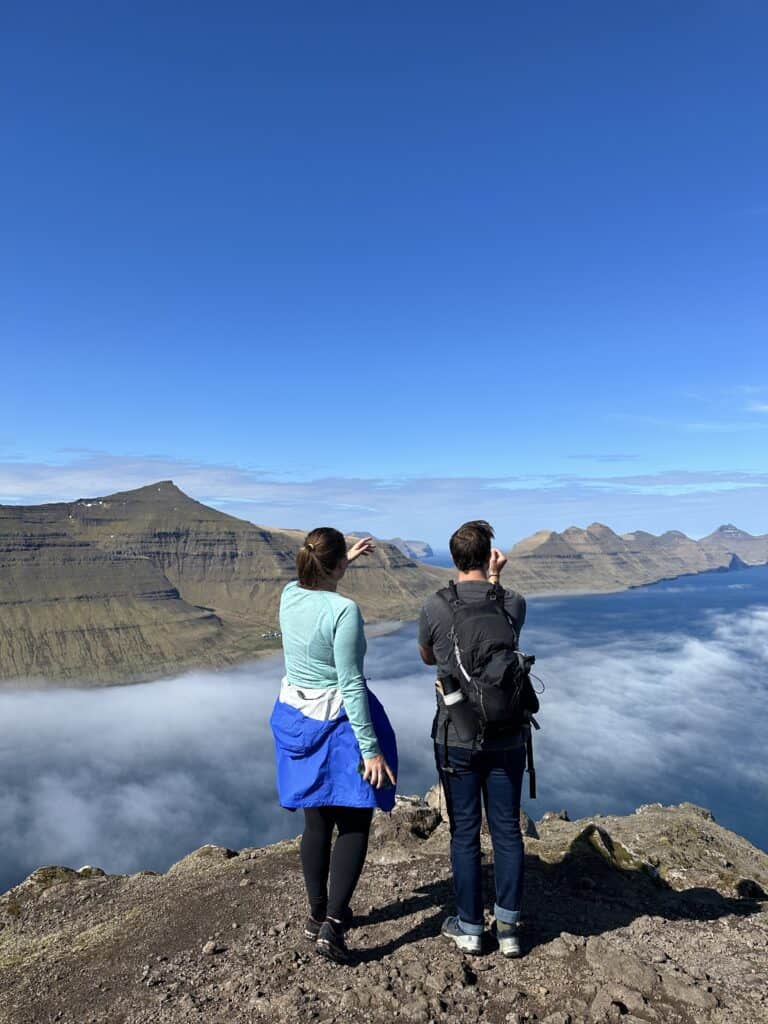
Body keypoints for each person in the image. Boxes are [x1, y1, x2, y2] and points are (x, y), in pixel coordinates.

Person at [270, 527, 398, 965]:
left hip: (295, 718)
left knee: (317, 822)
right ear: (338, 566)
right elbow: (351, 684)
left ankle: (315, 913)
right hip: (339, 724)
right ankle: (336, 925)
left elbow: (317, 584)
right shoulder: (346, 611)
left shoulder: (289, 595)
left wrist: (347, 559)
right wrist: (371, 749)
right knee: (356, 821)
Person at [418, 520, 529, 958]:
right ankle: (509, 930)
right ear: (489, 557)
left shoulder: (435, 606)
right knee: (506, 830)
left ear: (453, 559)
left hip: (456, 735)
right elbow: (505, 630)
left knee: (464, 831)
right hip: (507, 736)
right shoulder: (514, 603)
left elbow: (428, 656)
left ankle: (467, 926)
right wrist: (497, 578)